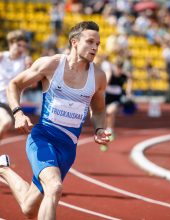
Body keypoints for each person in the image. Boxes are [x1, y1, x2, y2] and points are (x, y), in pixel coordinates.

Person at [0, 21, 110, 219]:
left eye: (98, 44)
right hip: (43, 137)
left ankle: (2, 169)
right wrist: (18, 113)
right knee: (54, 187)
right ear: (74, 42)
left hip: (68, 148)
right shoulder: (51, 65)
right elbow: (14, 85)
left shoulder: (99, 76)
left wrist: (99, 129)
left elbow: (99, 110)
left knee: (28, 208)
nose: (95, 47)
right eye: (90, 41)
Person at [0, 30, 30, 139]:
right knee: (6, 122)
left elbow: (33, 84)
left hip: (13, 102)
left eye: (24, 46)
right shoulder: (2, 57)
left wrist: (28, 68)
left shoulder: (25, 61)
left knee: (5, 126)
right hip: (0, 99)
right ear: (11, 43)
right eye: (18, 45)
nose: (21, 49)